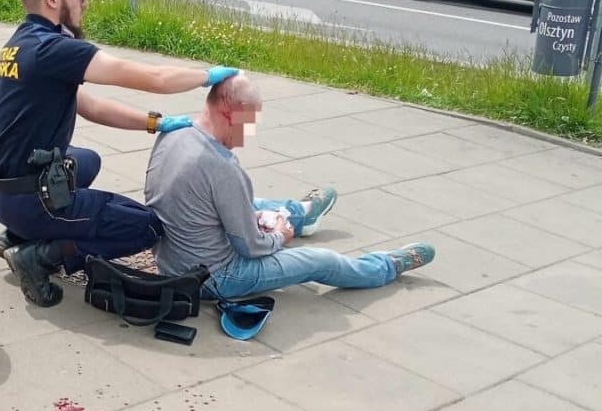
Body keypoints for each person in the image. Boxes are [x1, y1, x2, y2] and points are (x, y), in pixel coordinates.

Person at [0, 0, 240, 307]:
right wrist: (206, 76)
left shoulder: (21, 43)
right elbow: (154, 78)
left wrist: (154, 123)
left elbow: (90, 106)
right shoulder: (55, 49)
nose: (85, 3)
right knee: (145, 227)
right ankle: (41, 254)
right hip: (28, 199)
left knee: (87, 160)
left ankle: (18, 232)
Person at [144, 73, 435, 302]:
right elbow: (251, 247)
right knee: (319, 261)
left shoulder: (175, 131)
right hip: (214, 277)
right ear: (230, 112)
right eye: (249, 122)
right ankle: (384, 267)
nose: (249, 134)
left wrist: (251, 220)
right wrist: (279, 237)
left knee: (253, 204)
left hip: (172, 259)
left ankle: (301, 213)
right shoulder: (223, 167)